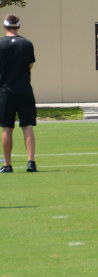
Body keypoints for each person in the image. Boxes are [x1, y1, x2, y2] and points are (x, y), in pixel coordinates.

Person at [0, 14, 38, 173]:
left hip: (5, 91)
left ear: (4, 26)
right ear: (19, 26)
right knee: (27, 125)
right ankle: (31, 163)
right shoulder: (27, 43)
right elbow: (30, 65)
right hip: (24, 90)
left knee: (7, 128)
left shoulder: (0, 44)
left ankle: (7, 165)